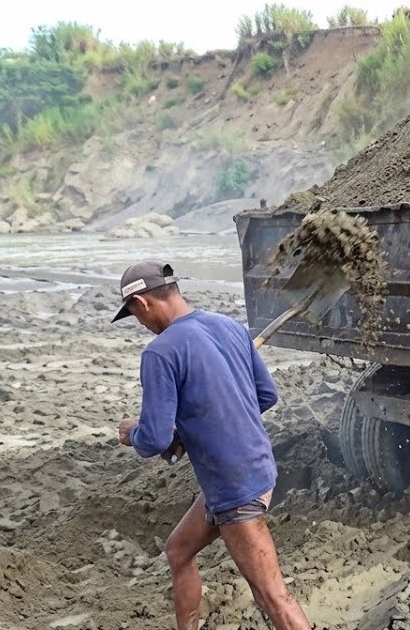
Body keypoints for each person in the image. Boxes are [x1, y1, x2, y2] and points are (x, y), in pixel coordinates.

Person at [111, 260, 313, 630]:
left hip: (234, 485)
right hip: (255, 469)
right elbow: (266, 395)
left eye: (135, 316)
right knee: (178, 550)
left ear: (141, 304)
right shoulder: (229, 326)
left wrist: (131, 433)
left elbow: (154, 438)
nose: (141, 324)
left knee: (273, 596)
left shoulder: (160, 353)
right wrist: (198, 426)